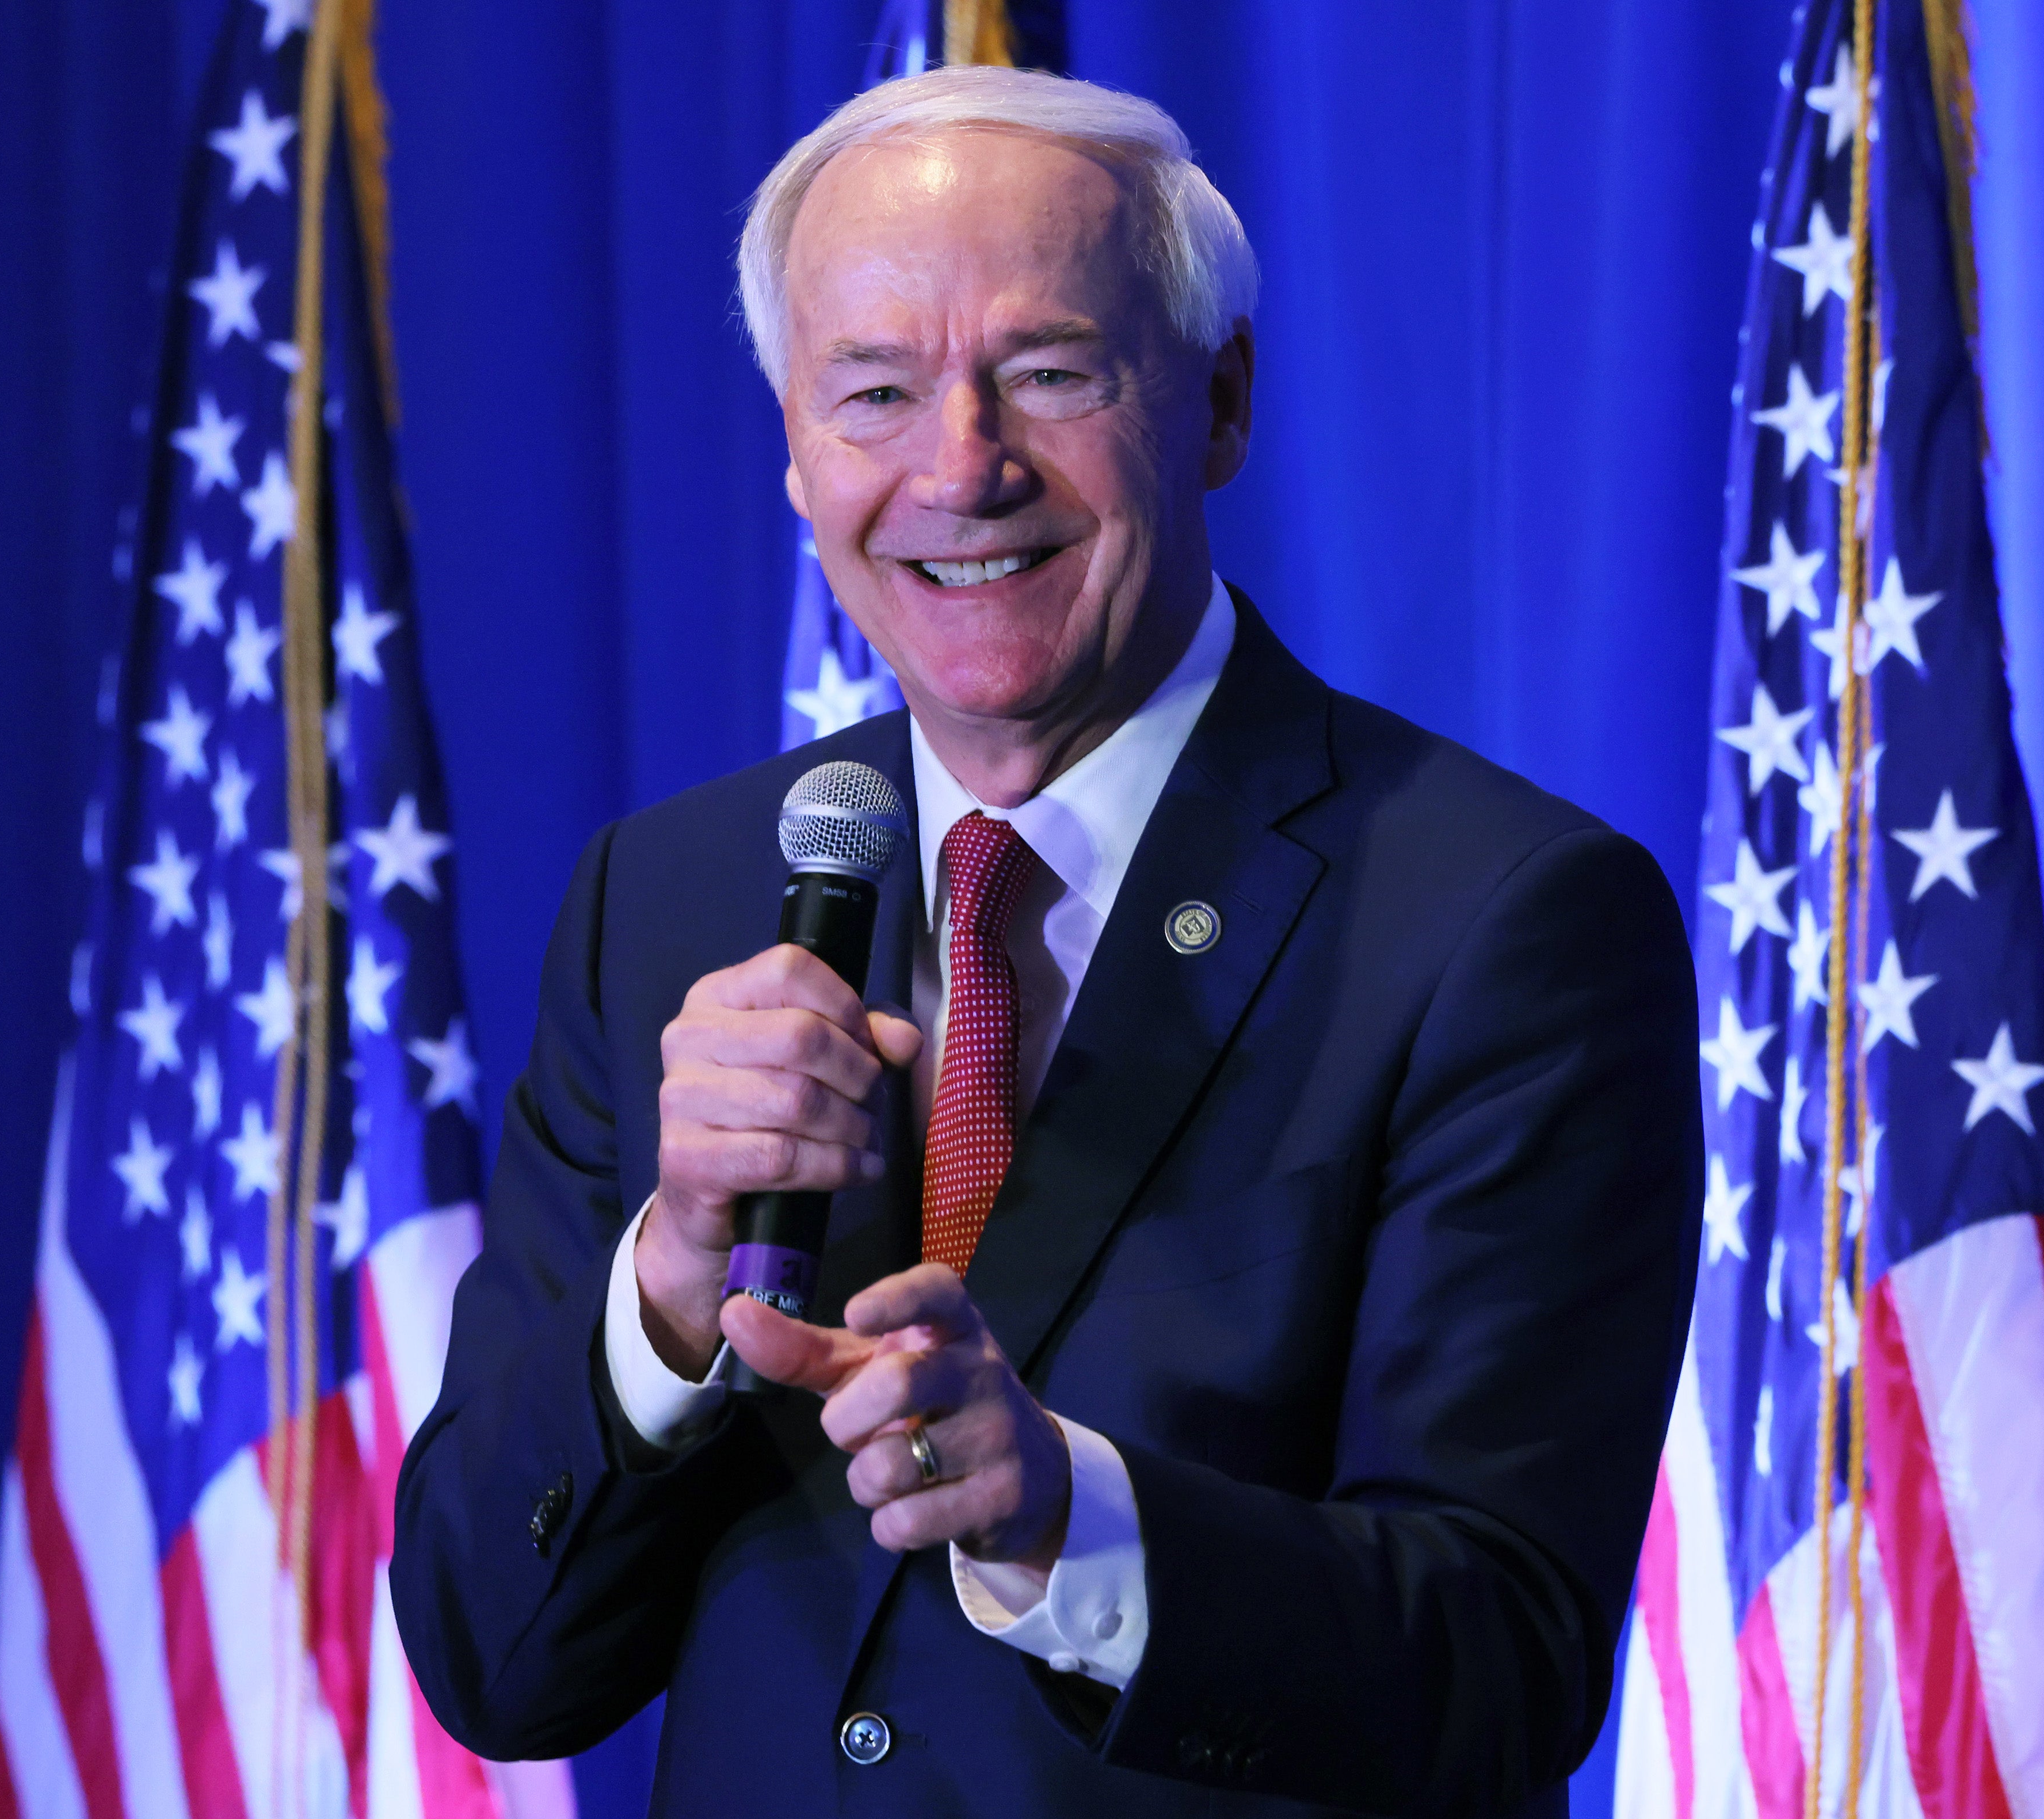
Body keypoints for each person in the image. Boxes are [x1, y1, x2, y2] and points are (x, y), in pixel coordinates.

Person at [392, 64, 1700, 1819]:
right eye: (874, 391)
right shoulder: (668, 902)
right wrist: (670, 1290)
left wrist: (1067, 1516)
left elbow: (1502, 1657)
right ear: (792, 450)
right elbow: (496, 1654)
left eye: (1051, 374)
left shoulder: (1501, 919)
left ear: (1219, 402)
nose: (962, 466)